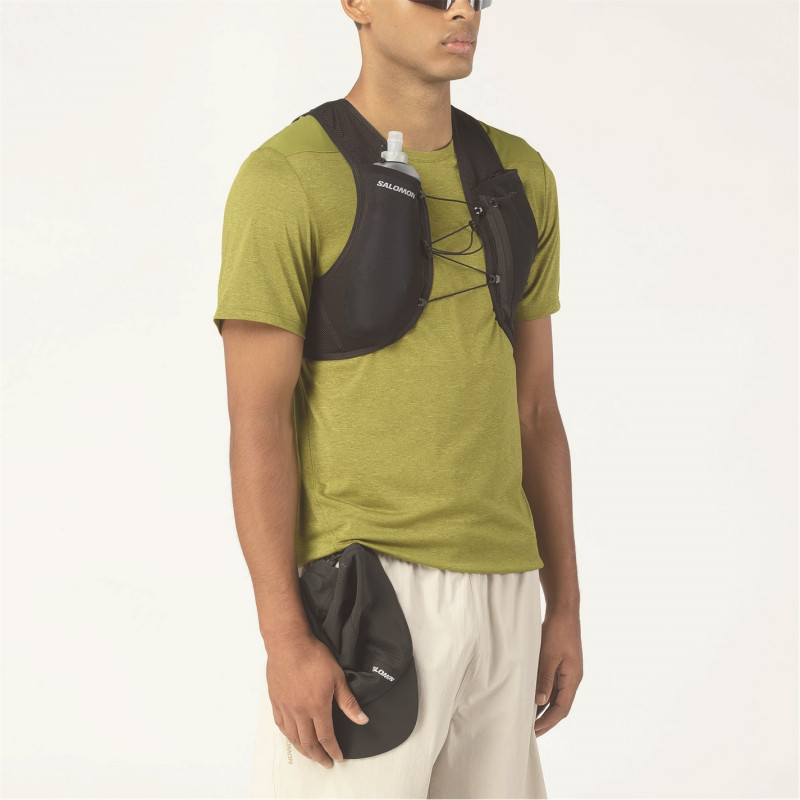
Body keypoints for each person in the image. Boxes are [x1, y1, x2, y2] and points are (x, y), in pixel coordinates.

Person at [213, 0, 583, 797]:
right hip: (364, 593)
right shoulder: (287, 177)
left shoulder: (520, 177)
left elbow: (536, 412)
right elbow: (258, 423)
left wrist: (564, 606)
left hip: (505, 586)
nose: (462, 9)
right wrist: (284, 636)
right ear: (357, 4)